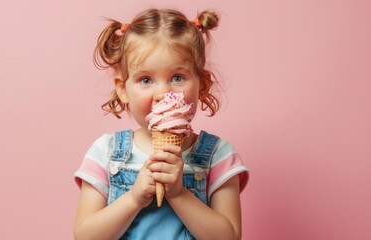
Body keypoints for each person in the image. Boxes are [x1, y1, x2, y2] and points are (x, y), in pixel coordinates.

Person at [74, 8, 249, 240]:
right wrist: (133, 198)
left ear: (203, 85)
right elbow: (85, 236)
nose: (162, 93)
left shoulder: (218, 155)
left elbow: (229, 237)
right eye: (145, 80)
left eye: (177, 78)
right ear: (123, 89)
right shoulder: (105, 152)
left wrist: (178, 194)